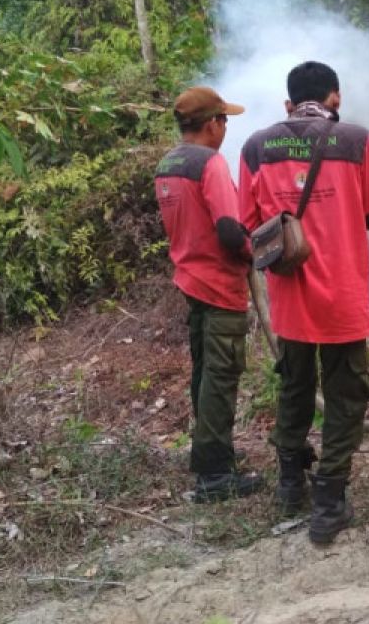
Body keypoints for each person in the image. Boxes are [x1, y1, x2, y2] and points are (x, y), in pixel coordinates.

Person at [238, 61, 369, 545]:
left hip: (290, 299)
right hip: (342, 296)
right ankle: (329, 501)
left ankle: (288, 485)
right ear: (335, 98)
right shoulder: (357, 140)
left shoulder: (256, 146)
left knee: (295, 387)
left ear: (288, 104)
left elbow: (251, 224)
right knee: (345, 396)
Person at [155, 86, 262, 503]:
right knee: (220, 375)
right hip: (219, 285)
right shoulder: (211, 164)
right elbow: (228, 229)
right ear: (213, 123)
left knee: (204, 375)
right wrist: (256, 250)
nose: (225, 129)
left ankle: (211, 457)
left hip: (189, 279)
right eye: (225, 121)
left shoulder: (169, 164)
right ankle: (215, 477)